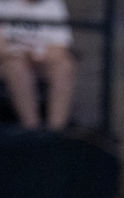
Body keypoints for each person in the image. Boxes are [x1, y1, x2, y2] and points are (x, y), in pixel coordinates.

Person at [0, 0, 76, 129]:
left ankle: (55, 131)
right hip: (12, 61)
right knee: (16, 66)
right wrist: (23, 54)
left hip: (43, 60)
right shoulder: (4, 5)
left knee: (65, 65)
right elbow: (2, 49)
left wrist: (36, 54)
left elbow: (60, 46)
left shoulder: (53, 4)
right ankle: (32, 128)